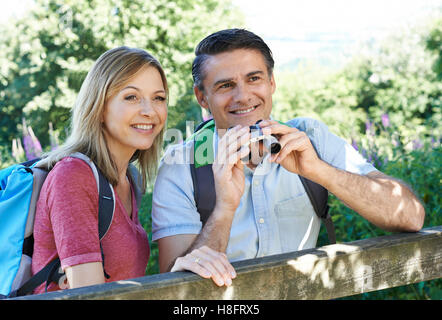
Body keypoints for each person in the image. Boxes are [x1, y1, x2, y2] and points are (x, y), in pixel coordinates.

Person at [151, 28, 426, 288]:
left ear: (271, 83)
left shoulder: (311, 137)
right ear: (202, 97)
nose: (243, 96)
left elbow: (411, 218)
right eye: (225, 85)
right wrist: (224, 209)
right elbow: (174, 283)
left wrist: (318, 170)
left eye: (254, 78)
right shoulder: (182, 165)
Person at [31, 46, 168, 293]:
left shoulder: (129, 179)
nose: (149, 111)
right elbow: (91, 295)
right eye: (131, 97)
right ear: (100, 108)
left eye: (158, 98)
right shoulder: (73, 175)